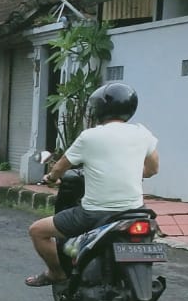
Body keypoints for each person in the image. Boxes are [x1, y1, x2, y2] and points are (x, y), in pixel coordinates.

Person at [27, 81, 159, 287]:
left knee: (37, 230)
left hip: (94, 214)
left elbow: (61, 167)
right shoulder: (143, 133)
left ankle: (57, 273)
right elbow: (152, 169)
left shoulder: (90, 136)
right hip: (134, 212)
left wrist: (51, 178)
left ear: (100, 110)